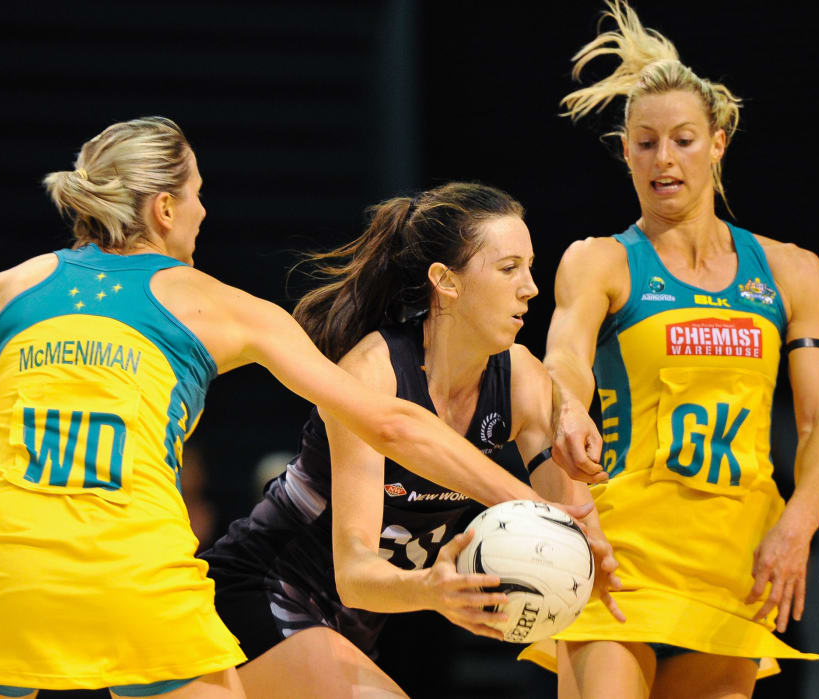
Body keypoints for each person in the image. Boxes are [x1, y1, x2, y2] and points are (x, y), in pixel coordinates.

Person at [0, 118, 594, 699]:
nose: (206, 209)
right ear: (165, 207)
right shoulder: (220, 305)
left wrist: (1, 372)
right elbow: (391, 421)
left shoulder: (16, 286)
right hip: (135, 576)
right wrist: (544, 513)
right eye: (199, 192)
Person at [516, 2, 819, 697]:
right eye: (645, 142)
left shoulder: (790, 270)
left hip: (737, 555)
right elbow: (564, 355)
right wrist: (570, 402)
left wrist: (799, 524)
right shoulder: (602, 260)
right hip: (625, 548)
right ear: (627, 150)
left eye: (684, 140)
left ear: (719, 142)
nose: (663, 159)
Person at [200, 182, 623, 698]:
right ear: (446, 282)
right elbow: (355, 573)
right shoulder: (373, 373)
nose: (530, 287)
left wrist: (581, 559)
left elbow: (569, 528)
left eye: (530, 267)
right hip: (262, 590)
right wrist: (431, 590)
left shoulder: (521, 381)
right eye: (509, 268)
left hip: (350, 628)